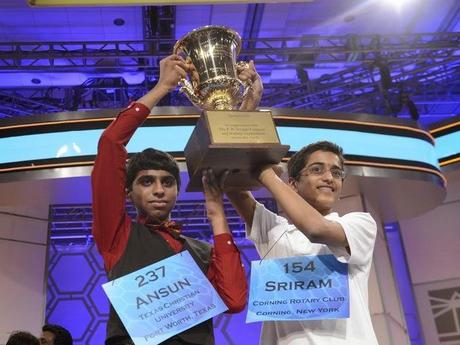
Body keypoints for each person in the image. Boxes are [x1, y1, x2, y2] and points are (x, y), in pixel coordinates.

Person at [91, 54, 250, 345]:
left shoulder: (202, 251)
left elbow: (235, 300)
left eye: (167, 182)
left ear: (177, 190)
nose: (159, 189)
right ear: (129, 192)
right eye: (146, 181)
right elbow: (110, 144)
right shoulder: (118, 235)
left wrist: (217, 215)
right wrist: (162, 88)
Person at [227, 141, 379, 345]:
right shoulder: (275, 231)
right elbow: (232, 184)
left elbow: (316, 230)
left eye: (336, 173)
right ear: (293, 184)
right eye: (317, 170)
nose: (328, 178)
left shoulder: (359, 224)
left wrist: (266, 174)